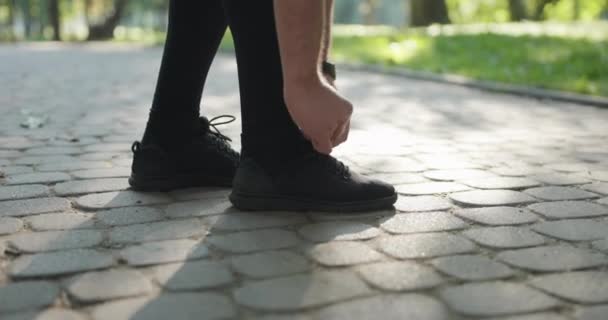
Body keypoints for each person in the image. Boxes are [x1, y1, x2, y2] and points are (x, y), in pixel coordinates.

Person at [129, 0, 397, 212]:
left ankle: (170, 136)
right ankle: (279, 154)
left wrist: (319, 68)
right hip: (278, 156)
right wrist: (305, 82)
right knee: (277, 147)